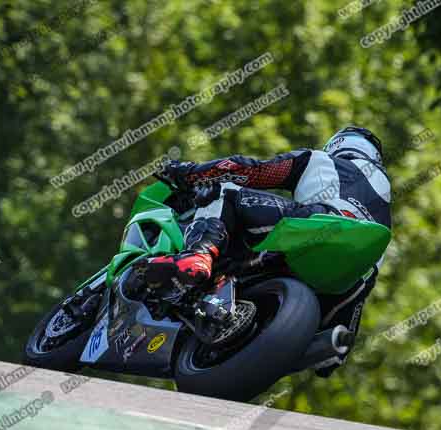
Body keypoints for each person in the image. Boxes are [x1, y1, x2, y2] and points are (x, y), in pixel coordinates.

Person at [146, 126, 391, 376]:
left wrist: (187, 173)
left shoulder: (323, 160)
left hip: (321, 224)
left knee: (224, 192)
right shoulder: (382, 221)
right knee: (333, 341)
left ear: (337, 145)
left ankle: (199, 255)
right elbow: (358, 297)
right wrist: (329, 350)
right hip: (345, 280)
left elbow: (250, 170)